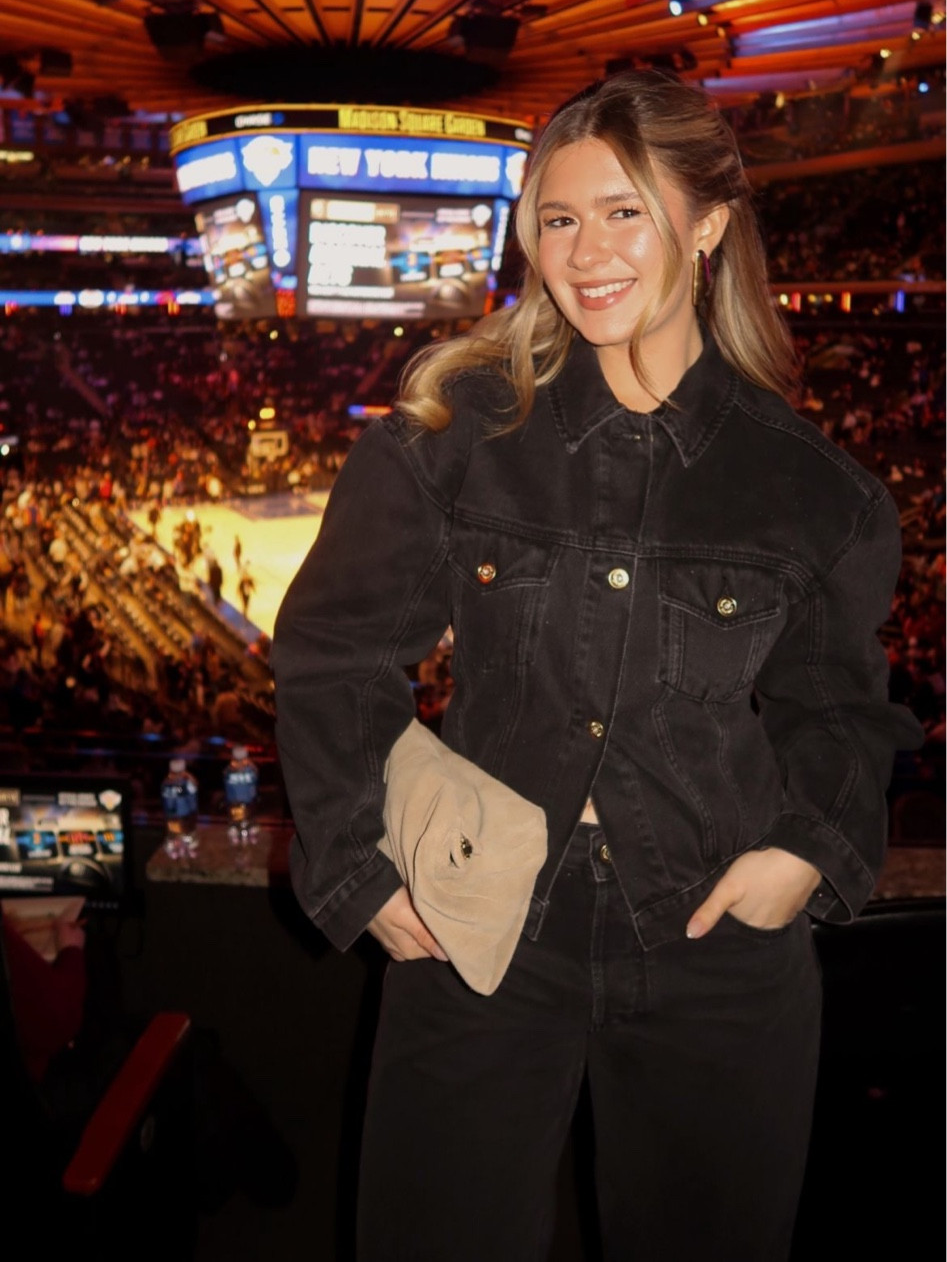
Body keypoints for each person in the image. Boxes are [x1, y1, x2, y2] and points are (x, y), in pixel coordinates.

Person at [271, 70, 922, 1262]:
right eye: (558, 218)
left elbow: (839, 711)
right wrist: (355, 865)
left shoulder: (812, 490)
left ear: (707, 223)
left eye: (623, 211)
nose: (585, 251)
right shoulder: (452, 434)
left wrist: (804, 851)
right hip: (476, 926)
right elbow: (333, 651)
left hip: (714, 940)